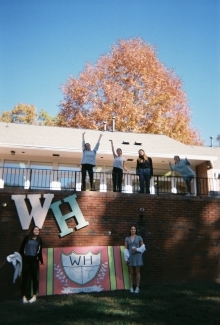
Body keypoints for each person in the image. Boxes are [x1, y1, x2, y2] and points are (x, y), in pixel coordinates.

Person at [19, 226, 44, 303]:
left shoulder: (39, 240)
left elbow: (39, 252)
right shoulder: (27, 238)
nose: (36, 231)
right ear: (32, 231)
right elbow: (21, 248)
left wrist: (41, 260)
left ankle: (34, 296)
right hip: (26, 259)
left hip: (34, 260)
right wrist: (19, 258)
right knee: (25, 278)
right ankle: (24, 297)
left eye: (38, 230)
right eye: (35, 229)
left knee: (34, 278)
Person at [124, 225, 146, 293]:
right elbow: (125, 249)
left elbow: (143, 247)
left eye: (134, 229)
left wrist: (137, 249)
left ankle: (137, 287)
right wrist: (126, 258)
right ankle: (131, 287)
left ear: (136, 230)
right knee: (131, 273)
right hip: (130, 256)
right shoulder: (127, 238)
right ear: (130, 230)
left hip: (138, 256)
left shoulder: (139, 237)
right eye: (132, 229)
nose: (133, 230)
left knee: (137, 272)